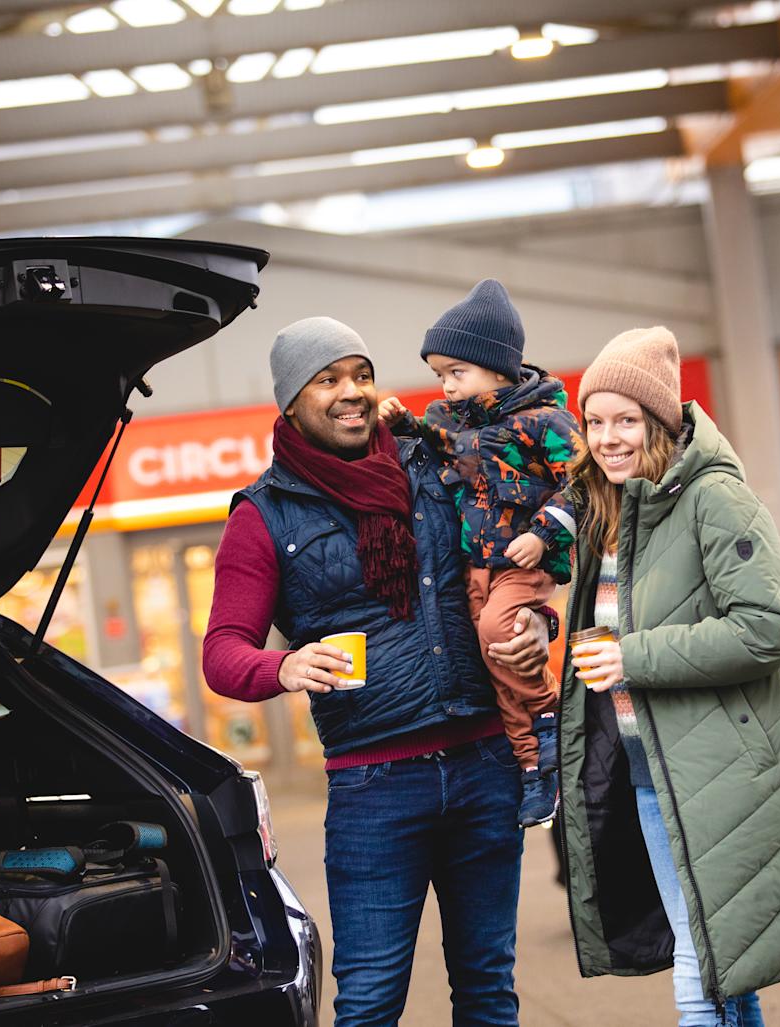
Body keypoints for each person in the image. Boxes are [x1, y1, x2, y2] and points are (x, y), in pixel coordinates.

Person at [201, 316, 554, 1027]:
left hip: (484, 761)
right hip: (375, 787)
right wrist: (285, 663)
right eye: (327, 379)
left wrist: (537, 627)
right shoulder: (264, 514)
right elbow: (223, 651)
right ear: (291, 400)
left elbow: (511, 563)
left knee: (489, 990)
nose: (351, 392)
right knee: (369, 1002)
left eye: (360, 374)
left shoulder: (438, 465)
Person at [558, 327, 780, 1027]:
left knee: (699, 970)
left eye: (625, 419)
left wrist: (633, 655)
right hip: (652, 772)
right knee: (724, 966)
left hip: (722, 773)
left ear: (660, 419)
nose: (608, 437)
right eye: (595, 421)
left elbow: (769, 628)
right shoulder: (613, 511)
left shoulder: (714, 498)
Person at [378, 279, 584, 828]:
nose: (445, 386)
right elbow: (434, 447)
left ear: (498, 369)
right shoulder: (451, 425)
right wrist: (404, 426)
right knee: (493, 659)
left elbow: (586, 486)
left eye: (456, 373)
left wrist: (542, 533)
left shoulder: (547, 423)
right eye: (439, 375)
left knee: (499, 630)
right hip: (475, 564)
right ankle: (532, 767)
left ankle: (547, 715)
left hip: (524, 564)